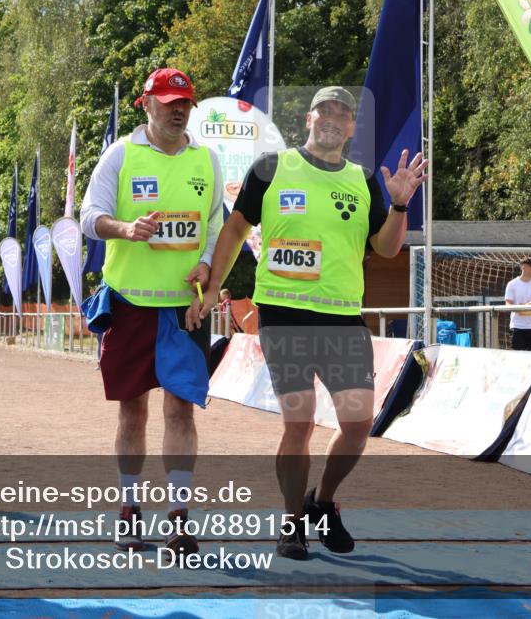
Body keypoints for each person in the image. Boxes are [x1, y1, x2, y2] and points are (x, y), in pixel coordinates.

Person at [187, 86, 428, 560]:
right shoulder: (272, 169)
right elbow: (235, 229)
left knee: (358, 424)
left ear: (352, 127)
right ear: (309, 120)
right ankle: (292, 520)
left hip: (342, 317)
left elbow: (385, 249)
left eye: (344, 114)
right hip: (283, 315)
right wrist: (214, 285)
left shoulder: (362, 180)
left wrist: (399, 205)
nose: (335, 119)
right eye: (326, 112)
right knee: (298, 423)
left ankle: (323, 502)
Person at [79, 67, 223, 556]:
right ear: (146, 105)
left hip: (183, 310)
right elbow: (87, 218)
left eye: (184, 101)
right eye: (168, 101)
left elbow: (216, 227)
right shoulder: (120, 155)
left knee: (181, 409)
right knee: (133, 412)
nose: (178, 109)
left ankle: (179, 519)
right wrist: (124, 229)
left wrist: (206, 267)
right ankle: (129, 509)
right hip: (130, 304)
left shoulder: (207, 158)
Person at [505, 258, 531, 351]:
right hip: (517, 326)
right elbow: (508, 305)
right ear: (523, 267)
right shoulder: (512, 284)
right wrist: (523, 308)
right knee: (517, 356)